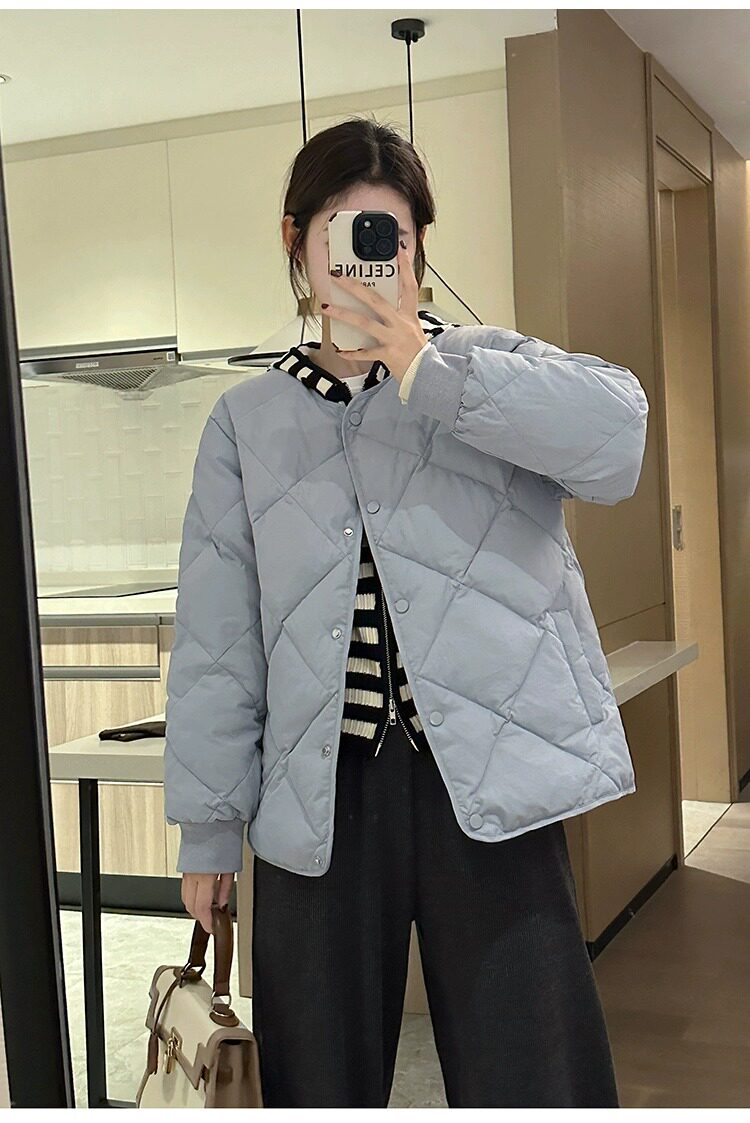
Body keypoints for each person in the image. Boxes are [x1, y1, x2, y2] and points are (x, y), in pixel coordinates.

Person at [164, 115, 649, 1108]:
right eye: (341, 232)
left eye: (386, 235)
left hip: (486, 782)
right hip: (319, 803)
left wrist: (434, 371)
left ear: (419, 248)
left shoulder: (483, 372)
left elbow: (618, 441)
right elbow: (220, 642)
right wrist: (209, 832)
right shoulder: (245, 424)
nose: (365, 259)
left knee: (534, 1077)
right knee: (317, 1082)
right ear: (297, 243)